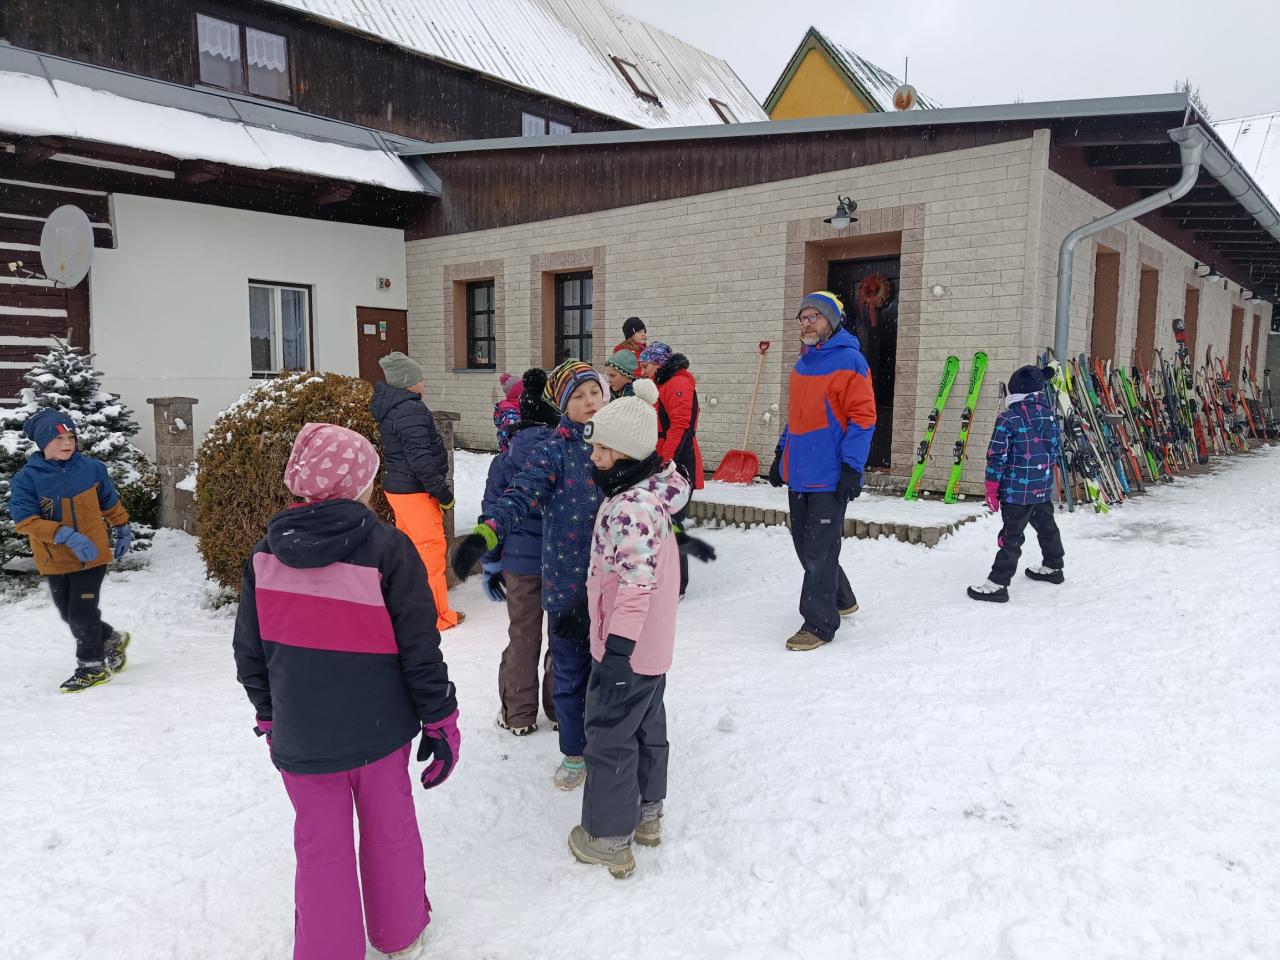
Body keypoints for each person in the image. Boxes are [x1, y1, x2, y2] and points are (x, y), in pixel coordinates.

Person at [233, 423, 459, 960]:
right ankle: (399, 932)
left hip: (303, 736)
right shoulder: (388, 549)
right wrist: (440, 719)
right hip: (380, 732)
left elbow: (250, 654)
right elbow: (419, 648)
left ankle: (328, 949)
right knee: (389, 832)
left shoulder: (265, 556)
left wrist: (269, 717)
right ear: (358, 484)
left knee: (321, 850)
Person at [452, 360, 608, 789]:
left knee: (589, 658)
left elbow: (643, 484)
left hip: (595, 575)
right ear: (561, 406)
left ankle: (578, 727)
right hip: (562, 573)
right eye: (578, 396)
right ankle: (570, 742)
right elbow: (518, 496)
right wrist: (486, 535)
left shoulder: (612, 444)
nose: (589, 402)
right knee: (564, 655)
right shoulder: (554, 450)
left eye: (594, 392)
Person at [567, 377, 688, 880]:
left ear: (627, 453)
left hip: (628, 648)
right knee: (646, 728)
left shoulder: (629, 508)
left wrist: (616, 651)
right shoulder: (651, 493)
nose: (594, 457)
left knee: (609, 736)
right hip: (651, 648)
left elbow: (636, 584)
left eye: (602, 449)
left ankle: (608, 839)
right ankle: (647, 815)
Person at [767, 291, 876, 652]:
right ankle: (842, 598)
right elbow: (795, 418)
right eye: (803, 318)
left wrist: (852, 467)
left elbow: (863, 418)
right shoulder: (803, 364)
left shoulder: (851, 361)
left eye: (814, 316)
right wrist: (781, 452)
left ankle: (819, 623)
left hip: (829, 474)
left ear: (832, 320)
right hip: (800, 472)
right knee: (807, 546)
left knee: (818, 549)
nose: (806, 323)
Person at [9, 408, 133, 692]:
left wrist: (122, 526)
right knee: (69, 614)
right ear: (43, 442)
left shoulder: (92, 469)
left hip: (92, 554)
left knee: (81, 613)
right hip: (55, 557)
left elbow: (109, 501)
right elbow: (26, 521)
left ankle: (91, 666)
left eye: (71, 437)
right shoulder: (27, 478)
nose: (67, 443)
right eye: (59, 438)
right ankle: (110, 638)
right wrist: (64, 535)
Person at [480, 368, 562, 736]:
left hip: (519, 564)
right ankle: (561, 709)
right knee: (563, 638)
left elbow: (491, 513)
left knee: (523, 636)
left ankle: (518, 714)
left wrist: (490, 563)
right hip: (562, 561)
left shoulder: (504, 461)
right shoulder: (569, 454)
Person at [371, 351, 462, 630]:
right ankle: (435, 616)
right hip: (415, 491)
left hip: (400, 489)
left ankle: (410, 609)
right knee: (431, 551)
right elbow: (421, 461)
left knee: (409, 551)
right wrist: (443, 494)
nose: (424, 381)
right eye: (419, 377)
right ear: (408, 381)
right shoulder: (409, 410)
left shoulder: (394, 407)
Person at [968, 365, 1065, 602]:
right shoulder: (1050, 415)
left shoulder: (1008, 418)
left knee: (1011, 535)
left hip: (1016, 491)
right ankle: (1054, 565)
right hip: (1041, 486)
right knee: (1046, 526)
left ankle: (998, 584)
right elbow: (1055, 450)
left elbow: (996, 456)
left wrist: (992, 488)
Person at [637, 341, 706, 597]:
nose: (642, 371)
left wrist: (664, 462)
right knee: (662, 522)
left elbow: (680, 427)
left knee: (672, 523)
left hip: (678, 464)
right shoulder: (663, 383)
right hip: (663, 461)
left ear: (658, 364)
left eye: (646, 366)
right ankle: (665, 577)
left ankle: (677, 584)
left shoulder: (678, 383)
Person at [493, 371, 524, 453]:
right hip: (513, 456)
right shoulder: (510, 416)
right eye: (524, 392)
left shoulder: (518, 408)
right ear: (517, 394)